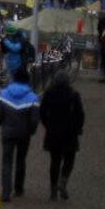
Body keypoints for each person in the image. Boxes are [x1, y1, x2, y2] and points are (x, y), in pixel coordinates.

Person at [0, 68, 40, 202]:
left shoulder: (3, 94)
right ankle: (19, 188)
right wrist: (31, 131)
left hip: (8, 132)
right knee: (21, 160)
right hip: (24, 133)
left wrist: (3, 124)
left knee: (7, 161)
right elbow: (34, 120)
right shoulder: (33, 97)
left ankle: (5, 192)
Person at [39, 71, 84, 201]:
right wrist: (77, 128)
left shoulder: (49, 93)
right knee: (69, 159)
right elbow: (80, 115)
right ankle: (63, 180)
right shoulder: (74, 95)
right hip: (70, 134)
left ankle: (53, 189)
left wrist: (47, 124)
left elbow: (42, 111)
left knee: (55, 162)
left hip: (53, 133)